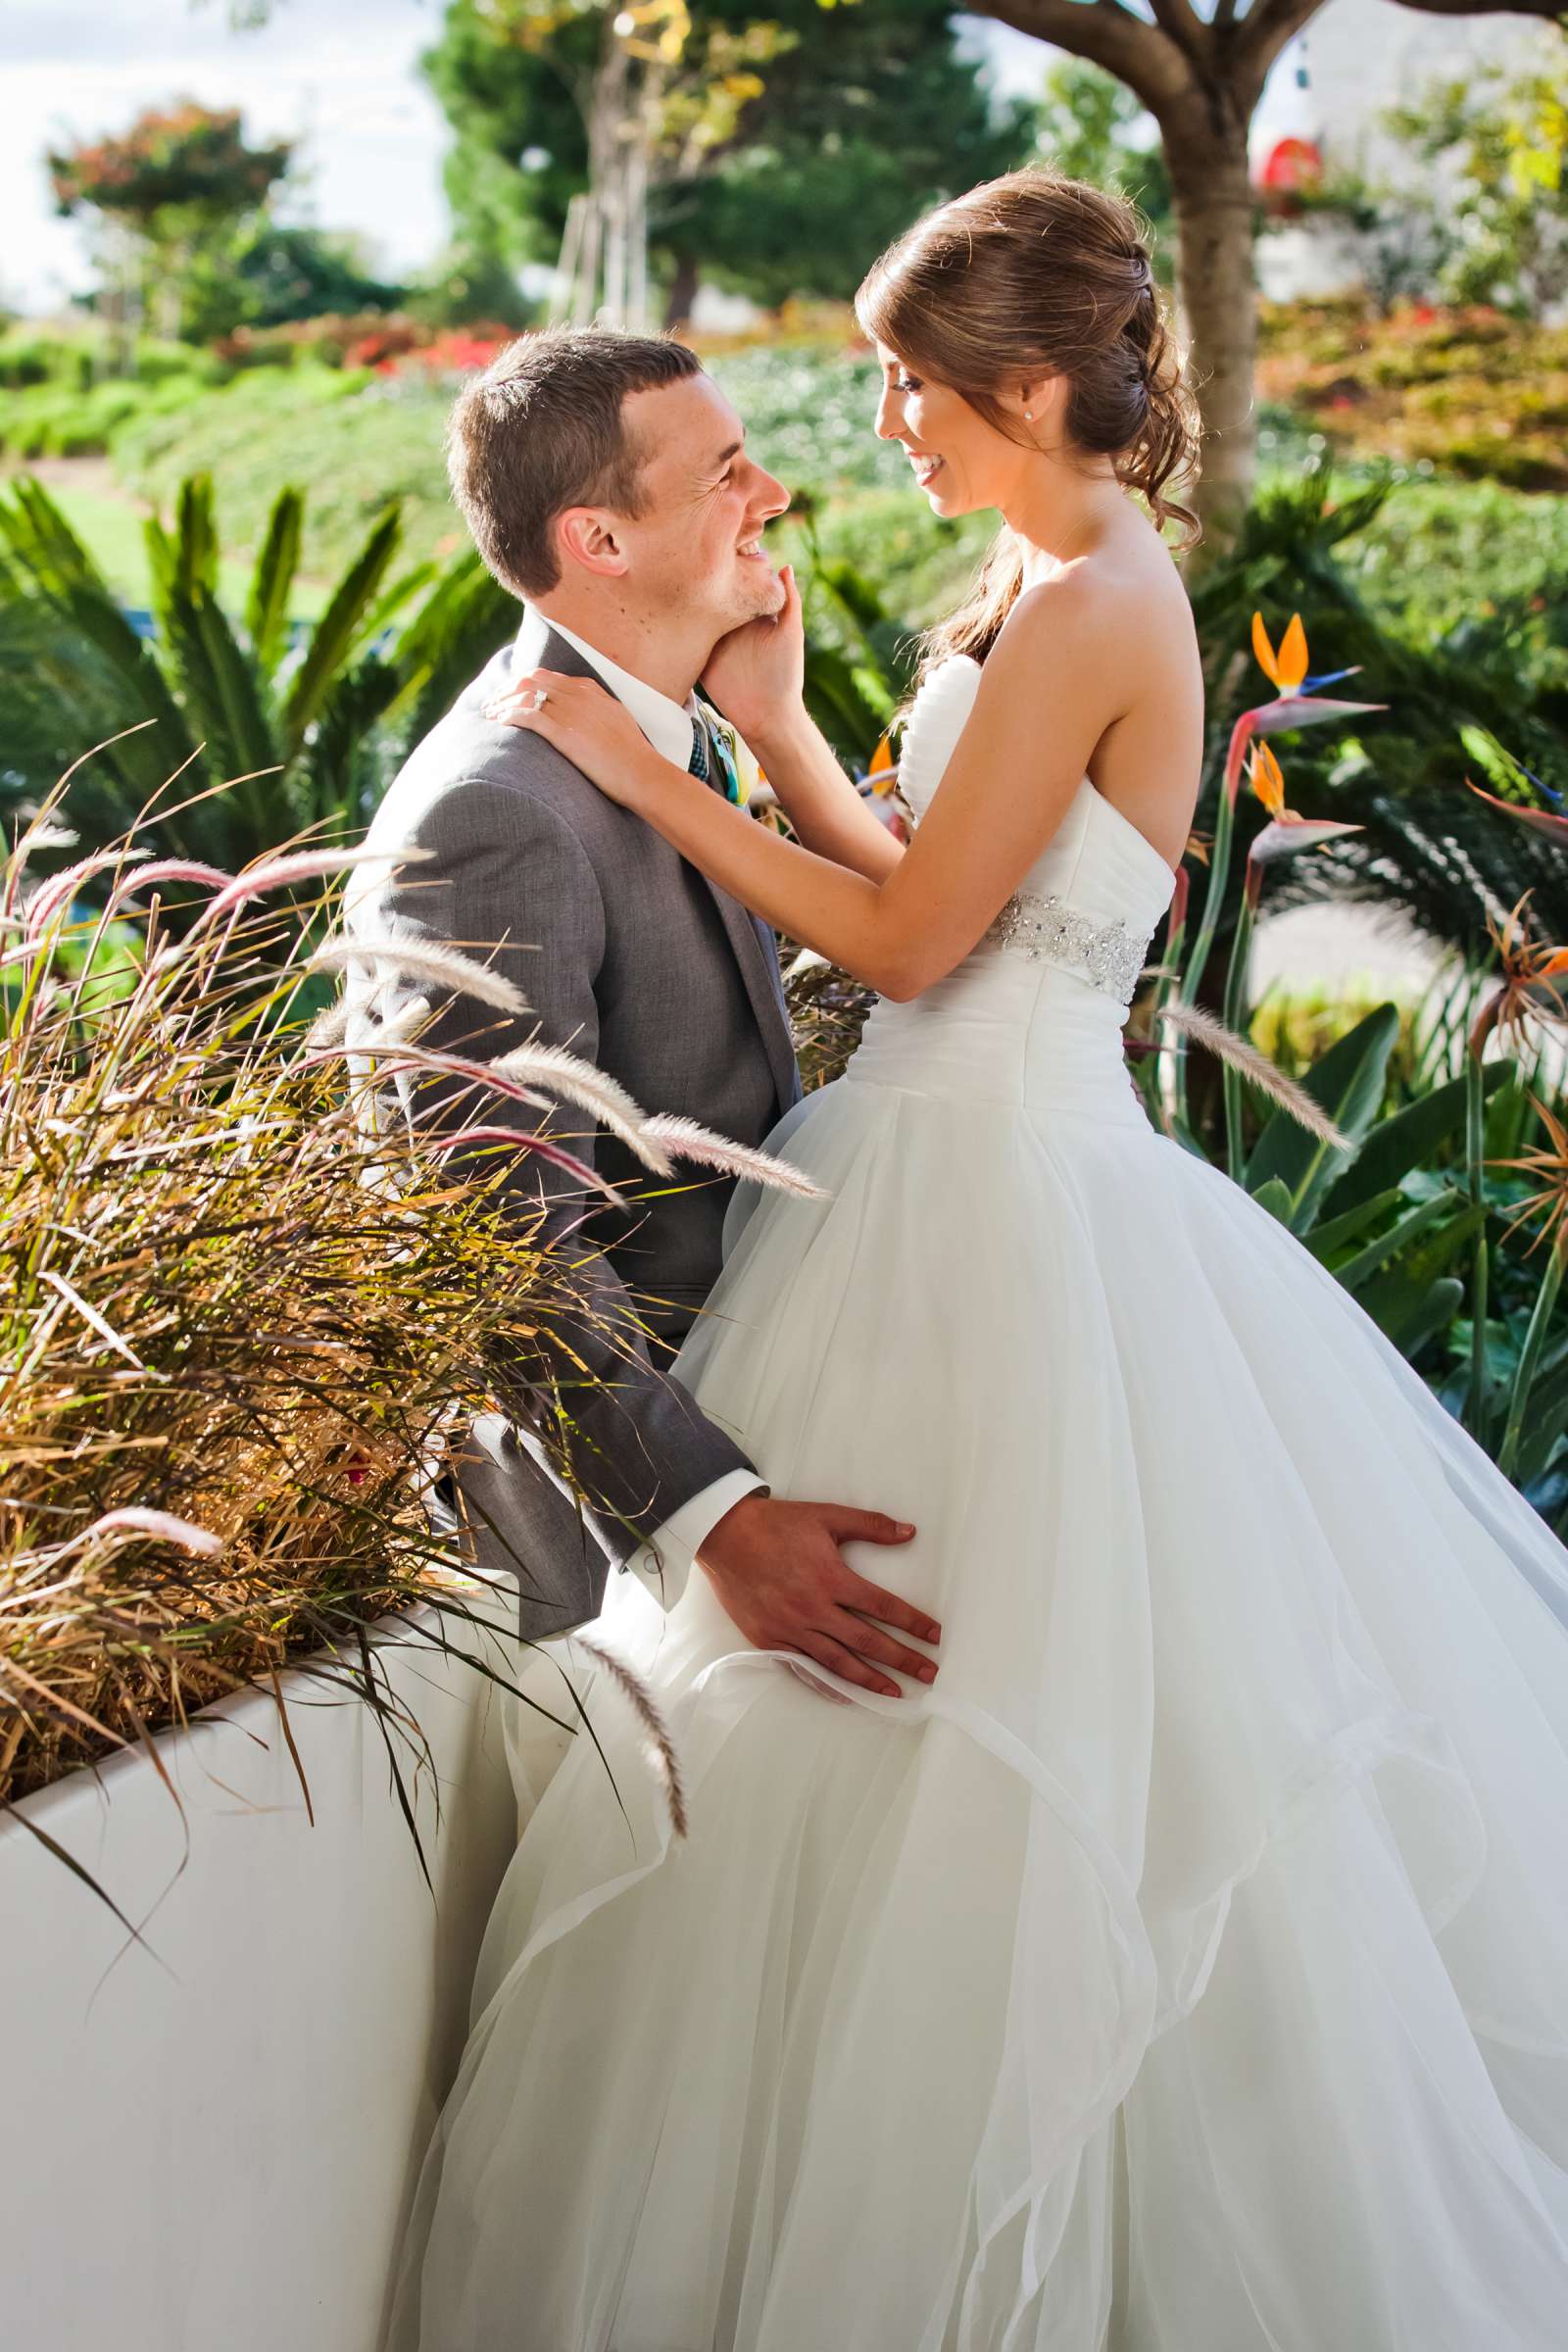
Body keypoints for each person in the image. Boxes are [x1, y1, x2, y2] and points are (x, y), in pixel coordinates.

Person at [386, 172, 1568, 2350]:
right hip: (926, 1166)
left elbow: (921, 946)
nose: (877, 427)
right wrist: (768, 734)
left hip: (1004, 1202)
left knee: (1000, 1739)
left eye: (904, 384)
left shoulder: (1110, 592)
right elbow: (943, 876)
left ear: (1025, 383)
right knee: (852, 1770)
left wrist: (645, 786)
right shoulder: (1041, 570)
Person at [345, 324, 938, 1693]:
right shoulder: (501, 810)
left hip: (771, 1435)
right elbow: (493, 1234)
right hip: (618, 1582)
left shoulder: (685, 728)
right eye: (726, 473)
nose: (773, 496)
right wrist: (715, 1521)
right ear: (599, 543)